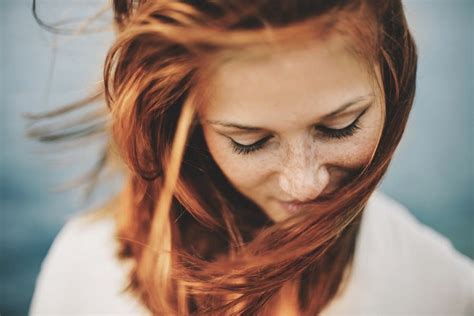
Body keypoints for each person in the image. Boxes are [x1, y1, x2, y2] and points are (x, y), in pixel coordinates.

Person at [29, 0, 473, 315]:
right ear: (186, 119)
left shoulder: (445, 294)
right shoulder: (84, 269)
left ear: (393, 77)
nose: (304, 183)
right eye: (250, 141)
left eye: (340, 127)